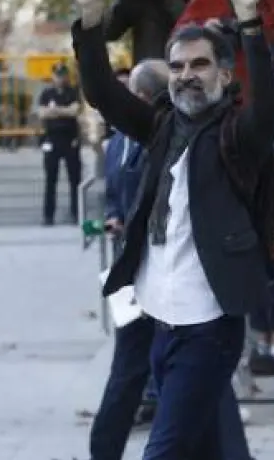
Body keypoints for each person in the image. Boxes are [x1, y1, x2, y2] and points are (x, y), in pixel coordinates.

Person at [58, 0, 274, 459]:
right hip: (158, 322)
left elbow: (268, 108)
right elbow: (102, 93)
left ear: (224, 74)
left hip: (210, 329)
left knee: (163, 450)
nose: (186, 75)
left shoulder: (238, 136)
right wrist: (91, 17)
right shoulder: (161, 126)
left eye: (199, 65)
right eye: (177, 67)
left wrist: (248, 20)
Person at [90, 60, 167, 460]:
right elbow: (114, 191)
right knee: (129, 366)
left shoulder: (166, 137)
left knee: (187, 371)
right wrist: (114, 215)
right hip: (131, 271)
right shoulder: (118, 141)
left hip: (168, 268)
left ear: (142, 97)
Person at [37, 62, 82, 225]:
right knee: (50, 180)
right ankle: (48, 216)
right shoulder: (46, 93)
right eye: (57, 75)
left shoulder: (73, 92)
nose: (60, 78)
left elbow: (75, 111)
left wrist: (55, 110)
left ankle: (76, 213)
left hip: (70, 140)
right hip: (52, 139)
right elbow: (42, 113)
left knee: (74, 180)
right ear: (52, 76)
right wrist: (64, 111)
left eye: (62, 75)